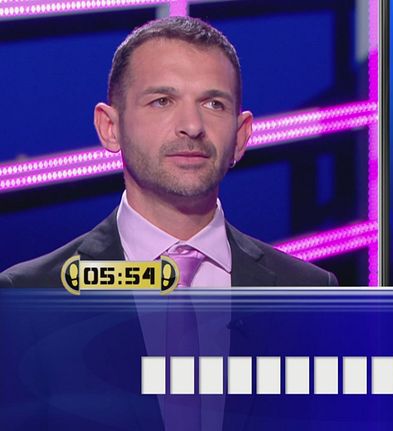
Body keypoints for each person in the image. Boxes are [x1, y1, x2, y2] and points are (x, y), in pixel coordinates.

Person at [0, 16, 337, 288]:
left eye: (213, 104)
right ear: (110, 127)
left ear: (240, 136)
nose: (192, 126)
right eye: (162, 101)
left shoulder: (309, 292)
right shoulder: (29, 294)